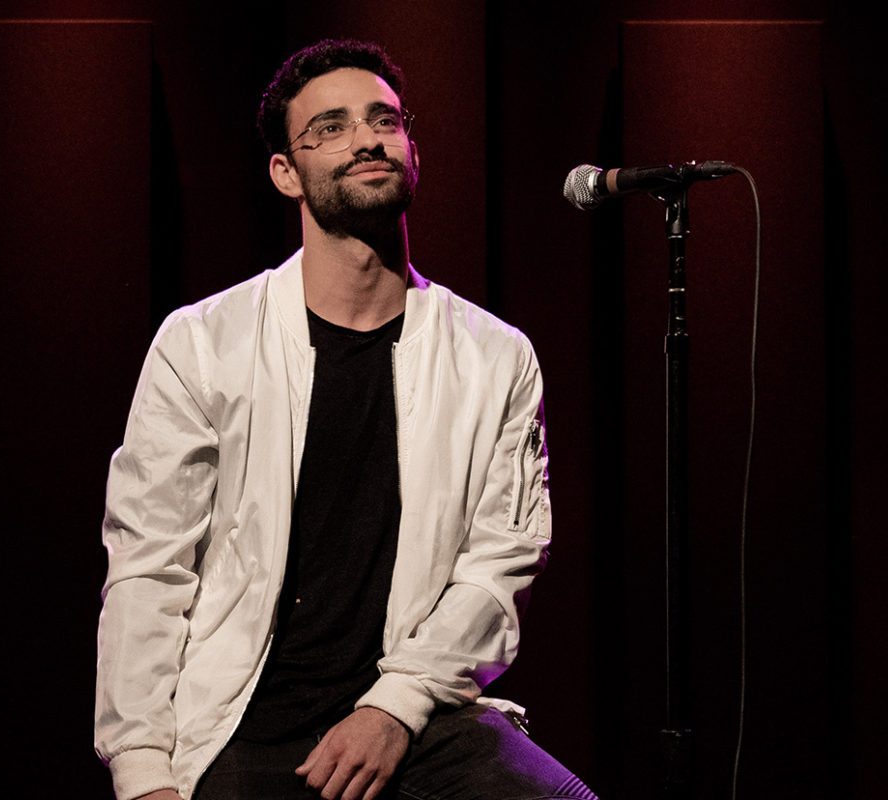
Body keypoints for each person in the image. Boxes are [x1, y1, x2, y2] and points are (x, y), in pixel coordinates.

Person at [94, 39, 597, 800]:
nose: (365, 138)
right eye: (329, 127)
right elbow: (148, 567)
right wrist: (142, 771)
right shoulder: (203, 343)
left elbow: (501, 563)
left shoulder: (494, 356)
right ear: (285, 173)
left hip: (416, 710)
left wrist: (393, 709)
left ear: (412, 149)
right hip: (245, 720)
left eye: (383, 120)